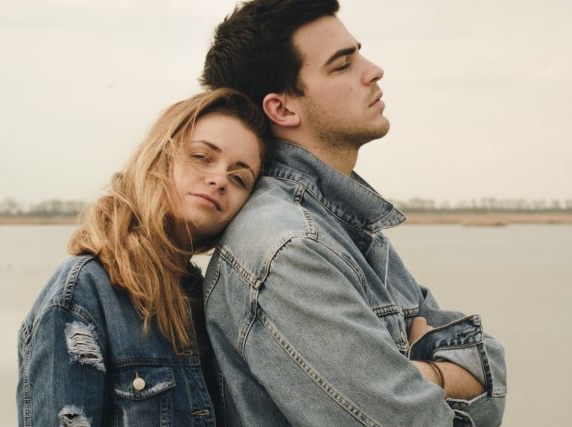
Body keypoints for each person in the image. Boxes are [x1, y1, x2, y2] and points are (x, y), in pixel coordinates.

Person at [198, 0, 508, 425]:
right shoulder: (288, 248)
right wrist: (441, 374)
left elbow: (488, 373)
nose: (374, 69)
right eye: (343, 65)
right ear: (283, 109)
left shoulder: (348, 228)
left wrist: (422, 378)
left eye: (358, 52)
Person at [16, 88, 269, 426]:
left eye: (239, 178)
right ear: (159, 157)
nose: (220, 179)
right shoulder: (84, 293)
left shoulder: (212, 300)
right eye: (202, 157)